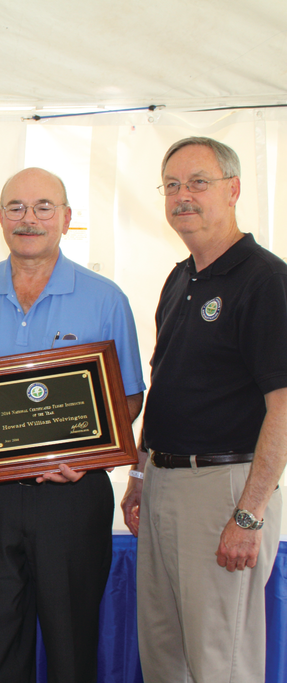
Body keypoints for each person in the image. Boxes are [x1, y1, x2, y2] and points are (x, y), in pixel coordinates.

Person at [0, 167, 145, 683]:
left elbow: (130, 397)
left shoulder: (106, 297)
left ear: (67, 218)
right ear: (0, 218)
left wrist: (87, 458)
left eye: (43, 207)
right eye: (16, 208)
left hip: (72, 493)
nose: (28, 219)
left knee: (71, 645)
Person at [121, 137, 287, 683]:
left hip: (223, 489)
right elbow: (167, 385)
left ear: (234, 189)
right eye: (171, 185)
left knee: (221, 661)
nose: (182, 196)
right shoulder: (180, 277)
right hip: (166, 483)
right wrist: (141, 472)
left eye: (198, 182)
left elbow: (284, 406)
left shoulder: (265, 280)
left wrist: (249, 512)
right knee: (165, 655)